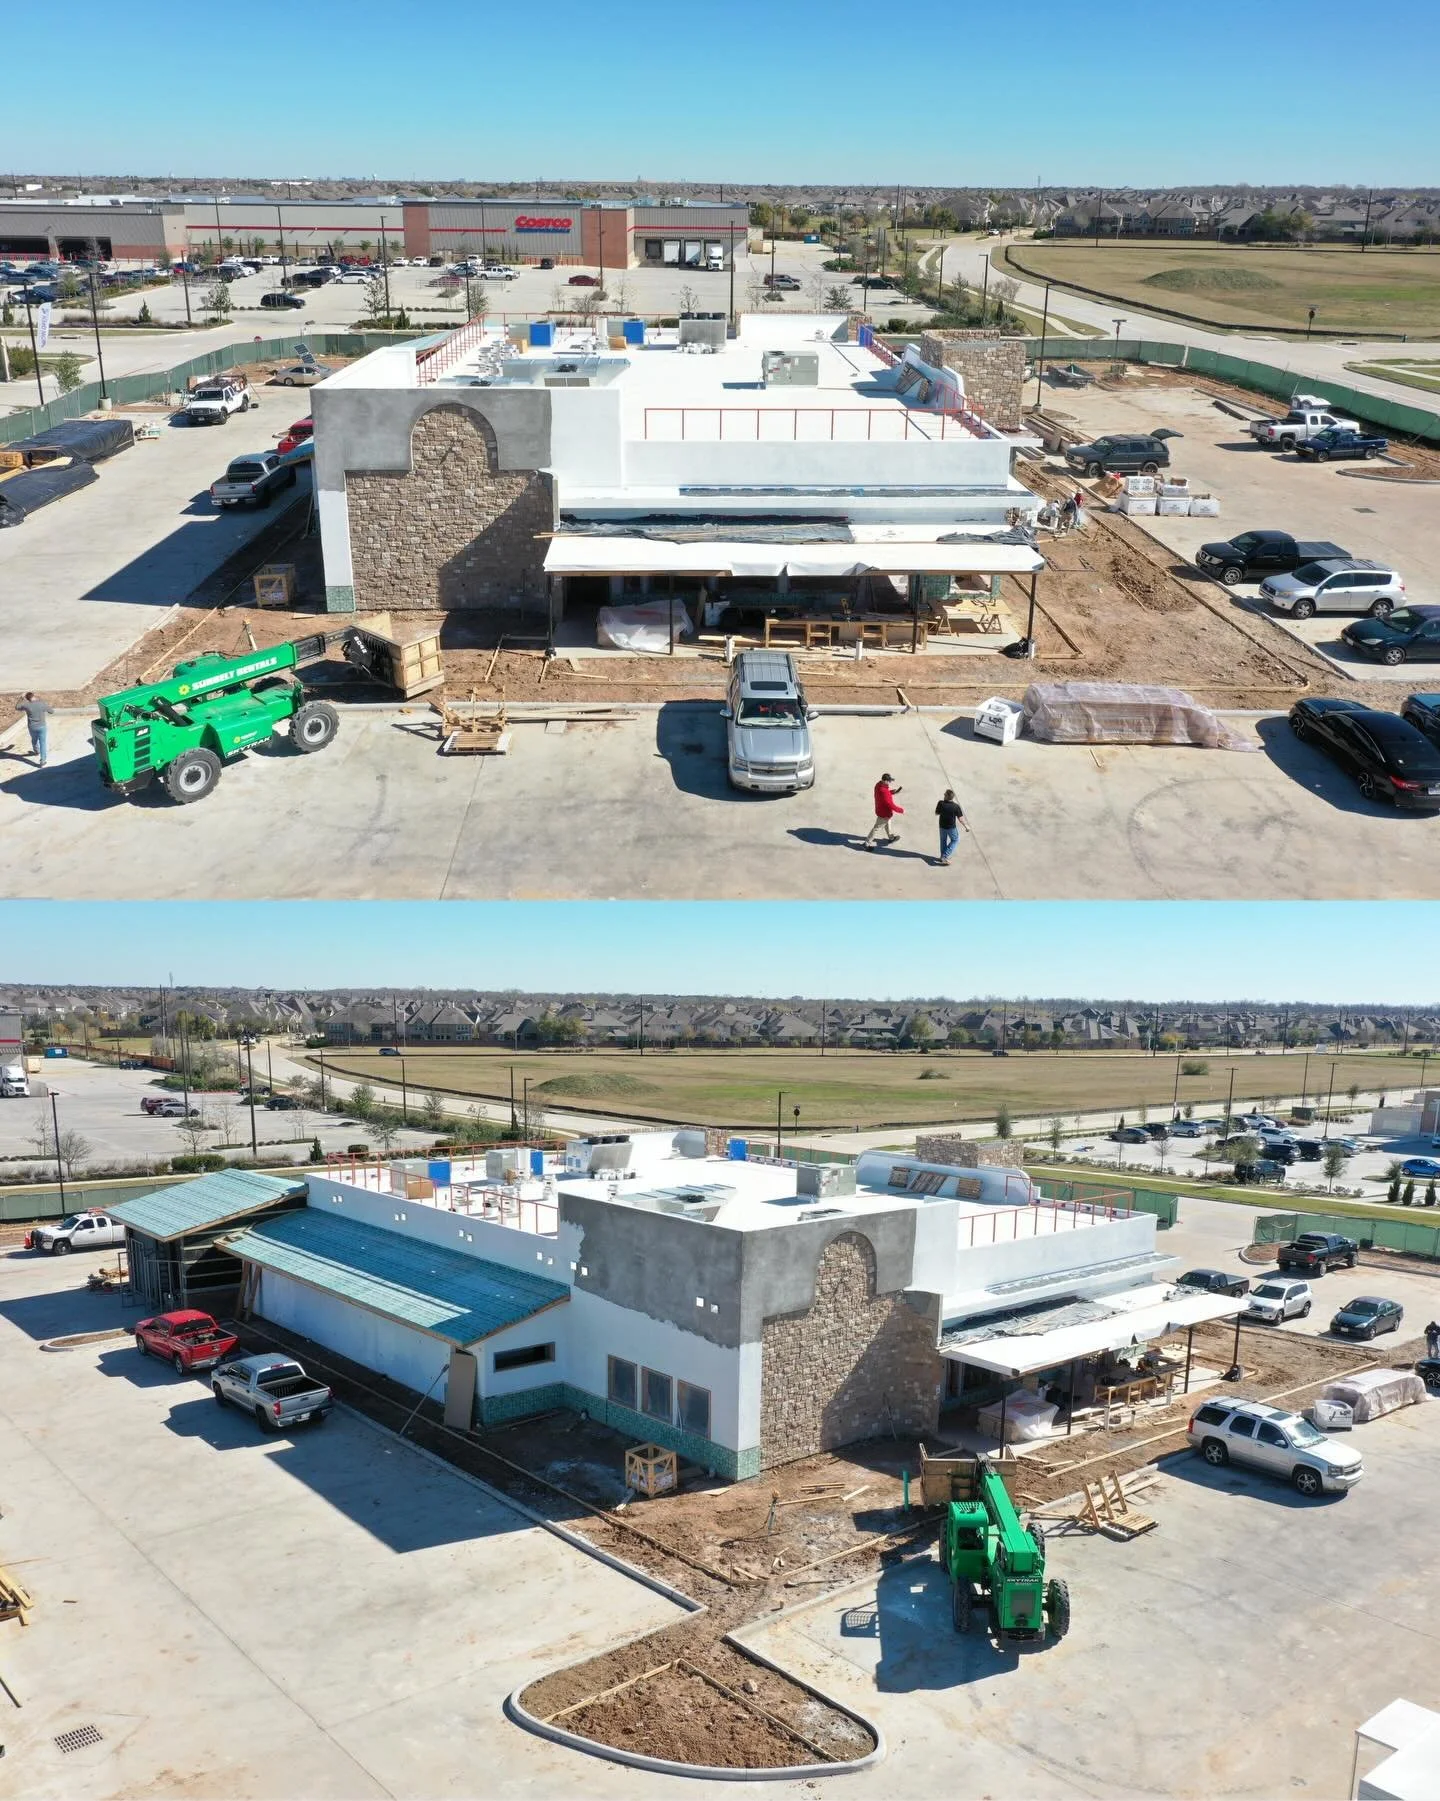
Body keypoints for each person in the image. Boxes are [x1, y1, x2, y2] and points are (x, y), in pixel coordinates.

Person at [863, 773, 903, 849]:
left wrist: (891, 792)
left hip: (880, 809)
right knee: (876, 828)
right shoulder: (884, 791)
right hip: (884, 813)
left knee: (888, 823)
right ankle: (866, 844)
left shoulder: (878, 785)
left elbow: (883, 795)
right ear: (885, 781)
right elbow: (890, 804)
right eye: (889, 781)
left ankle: (891, 838)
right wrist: (901, 810)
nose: (890, 782)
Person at [17, 692, 54, 767]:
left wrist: (21, 698)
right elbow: (51, 711)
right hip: (42, 726)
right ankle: (42, 760)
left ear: (27, 698)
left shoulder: (26, 705)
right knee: (42, 743)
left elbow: (17, 707)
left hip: (32, 727)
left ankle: (36, 751)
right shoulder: (41, 703)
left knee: (34, 739)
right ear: (34, 696)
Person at [934, 789, 969, 867]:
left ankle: (942, 857)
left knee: (943, 841)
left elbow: (936, 813)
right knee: (955, 840)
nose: (943, 795)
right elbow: (960, 818)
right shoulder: (956, 806)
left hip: (942, 826)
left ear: (947, 796)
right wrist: (966, 826)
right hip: (951, 828)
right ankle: (945, 856)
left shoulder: (941, 803)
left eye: (944, 794)